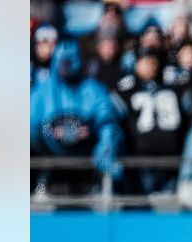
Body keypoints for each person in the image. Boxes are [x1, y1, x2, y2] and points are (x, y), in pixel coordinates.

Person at [30, 41, 124, 195]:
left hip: (89, 167)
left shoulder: (93, 89)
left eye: (69, 62)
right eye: (61, 62)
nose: (65, 66)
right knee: (41, 205)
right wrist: (51, 133)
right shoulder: (41, 92)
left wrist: (105, 145)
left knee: (99, 205)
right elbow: (32, 126)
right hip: (50, 168)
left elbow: (108, 121)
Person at [117, 49, 188, 194]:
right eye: (146, 61)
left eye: (153, 61)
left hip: (172, 161)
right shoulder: (129, 88)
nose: (151, 64)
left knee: (168, 212)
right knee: (143, 210)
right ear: (136, 64)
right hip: (143, 164)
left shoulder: (172, 85)